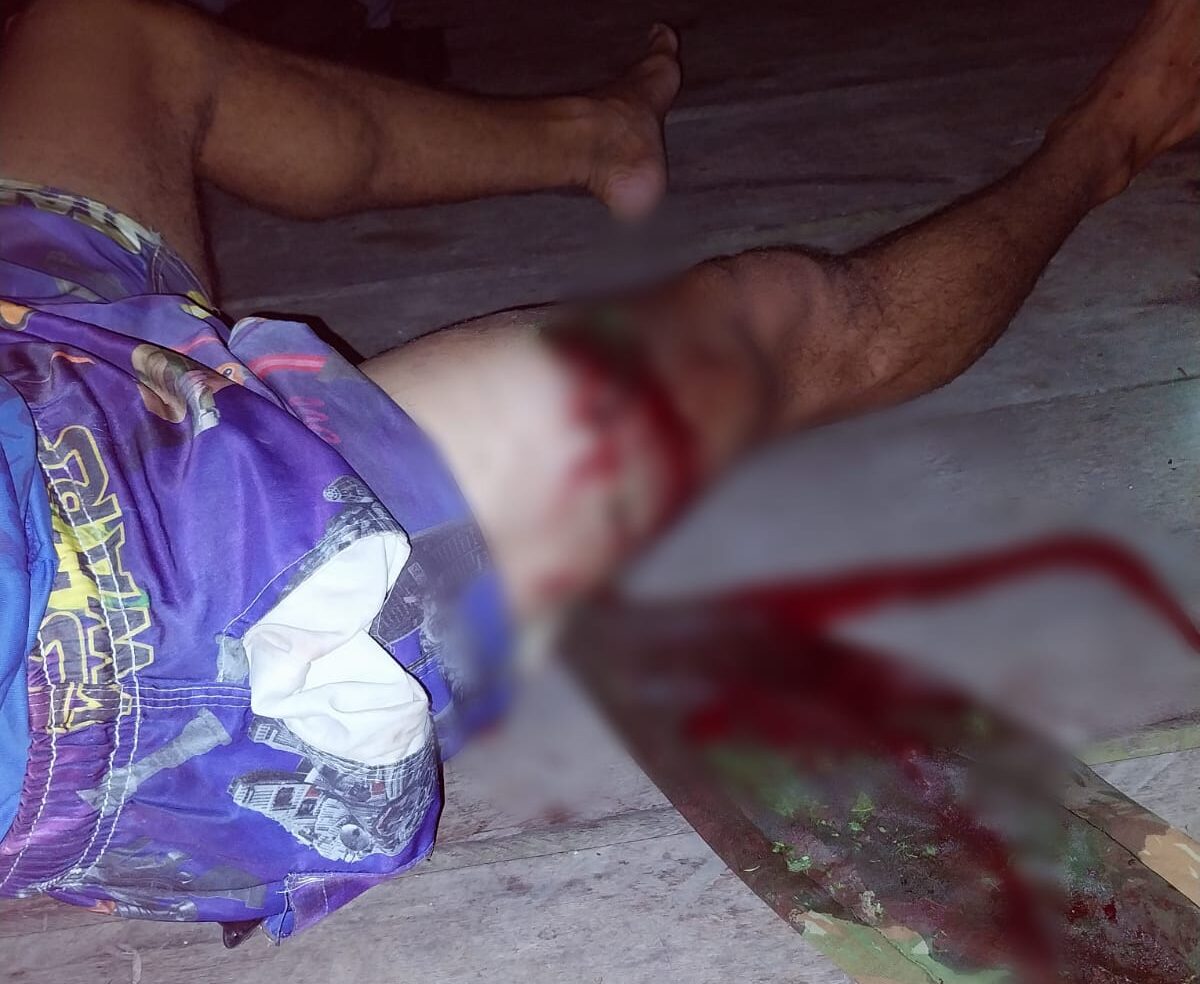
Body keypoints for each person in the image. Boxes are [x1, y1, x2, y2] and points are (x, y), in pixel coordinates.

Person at [0, 0, 1194, 942]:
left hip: (32, 371)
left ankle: (594, 136)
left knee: (104, 34)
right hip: (119, 629)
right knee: (782, 324)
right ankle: (1109, 141)